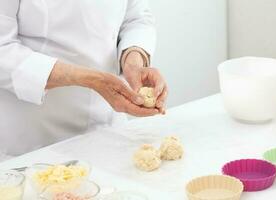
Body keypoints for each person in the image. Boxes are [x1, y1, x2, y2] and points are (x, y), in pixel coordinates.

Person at [0, 0, 167, 156]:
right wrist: (90, 79)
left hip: (108, 124)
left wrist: (134, 62)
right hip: (34, 136)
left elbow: (136, 18)